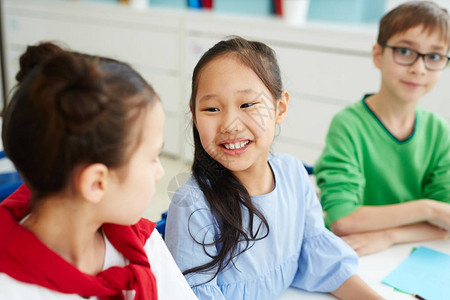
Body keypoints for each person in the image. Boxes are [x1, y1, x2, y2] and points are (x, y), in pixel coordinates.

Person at [164, 36, 382, 299]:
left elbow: (322, 261)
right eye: (211, 108)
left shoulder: (293, 173)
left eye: (247, 104)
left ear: (280, 108)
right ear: (195, 116)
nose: (230, 125)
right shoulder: (192, 203)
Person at [0, 42, 198, 300]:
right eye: (152, 158)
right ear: (97, 183)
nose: (160, 172)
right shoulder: (11, 289)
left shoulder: (142, 242)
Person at [314, 1, 450, 256]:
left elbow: (447, 222)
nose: (418, 68)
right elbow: (343, 219)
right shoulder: (349, 125)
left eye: (433, 57)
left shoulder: (440, 131)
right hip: (350, 253)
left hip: (408, 251)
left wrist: (390, 235)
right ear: (378, 55)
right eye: (405, 51)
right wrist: (428, 209)